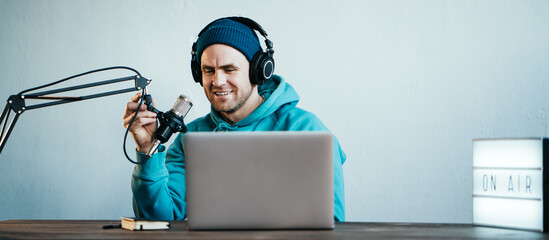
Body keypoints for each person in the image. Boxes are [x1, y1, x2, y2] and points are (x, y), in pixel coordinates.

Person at [123, 17, 346, 222]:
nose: (217, 81)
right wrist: (146, 149)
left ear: (259, 71)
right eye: (208, 70)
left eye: (229, 69)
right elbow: (159, 218)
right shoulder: (190, 137)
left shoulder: (305, 129)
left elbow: (331, 222)